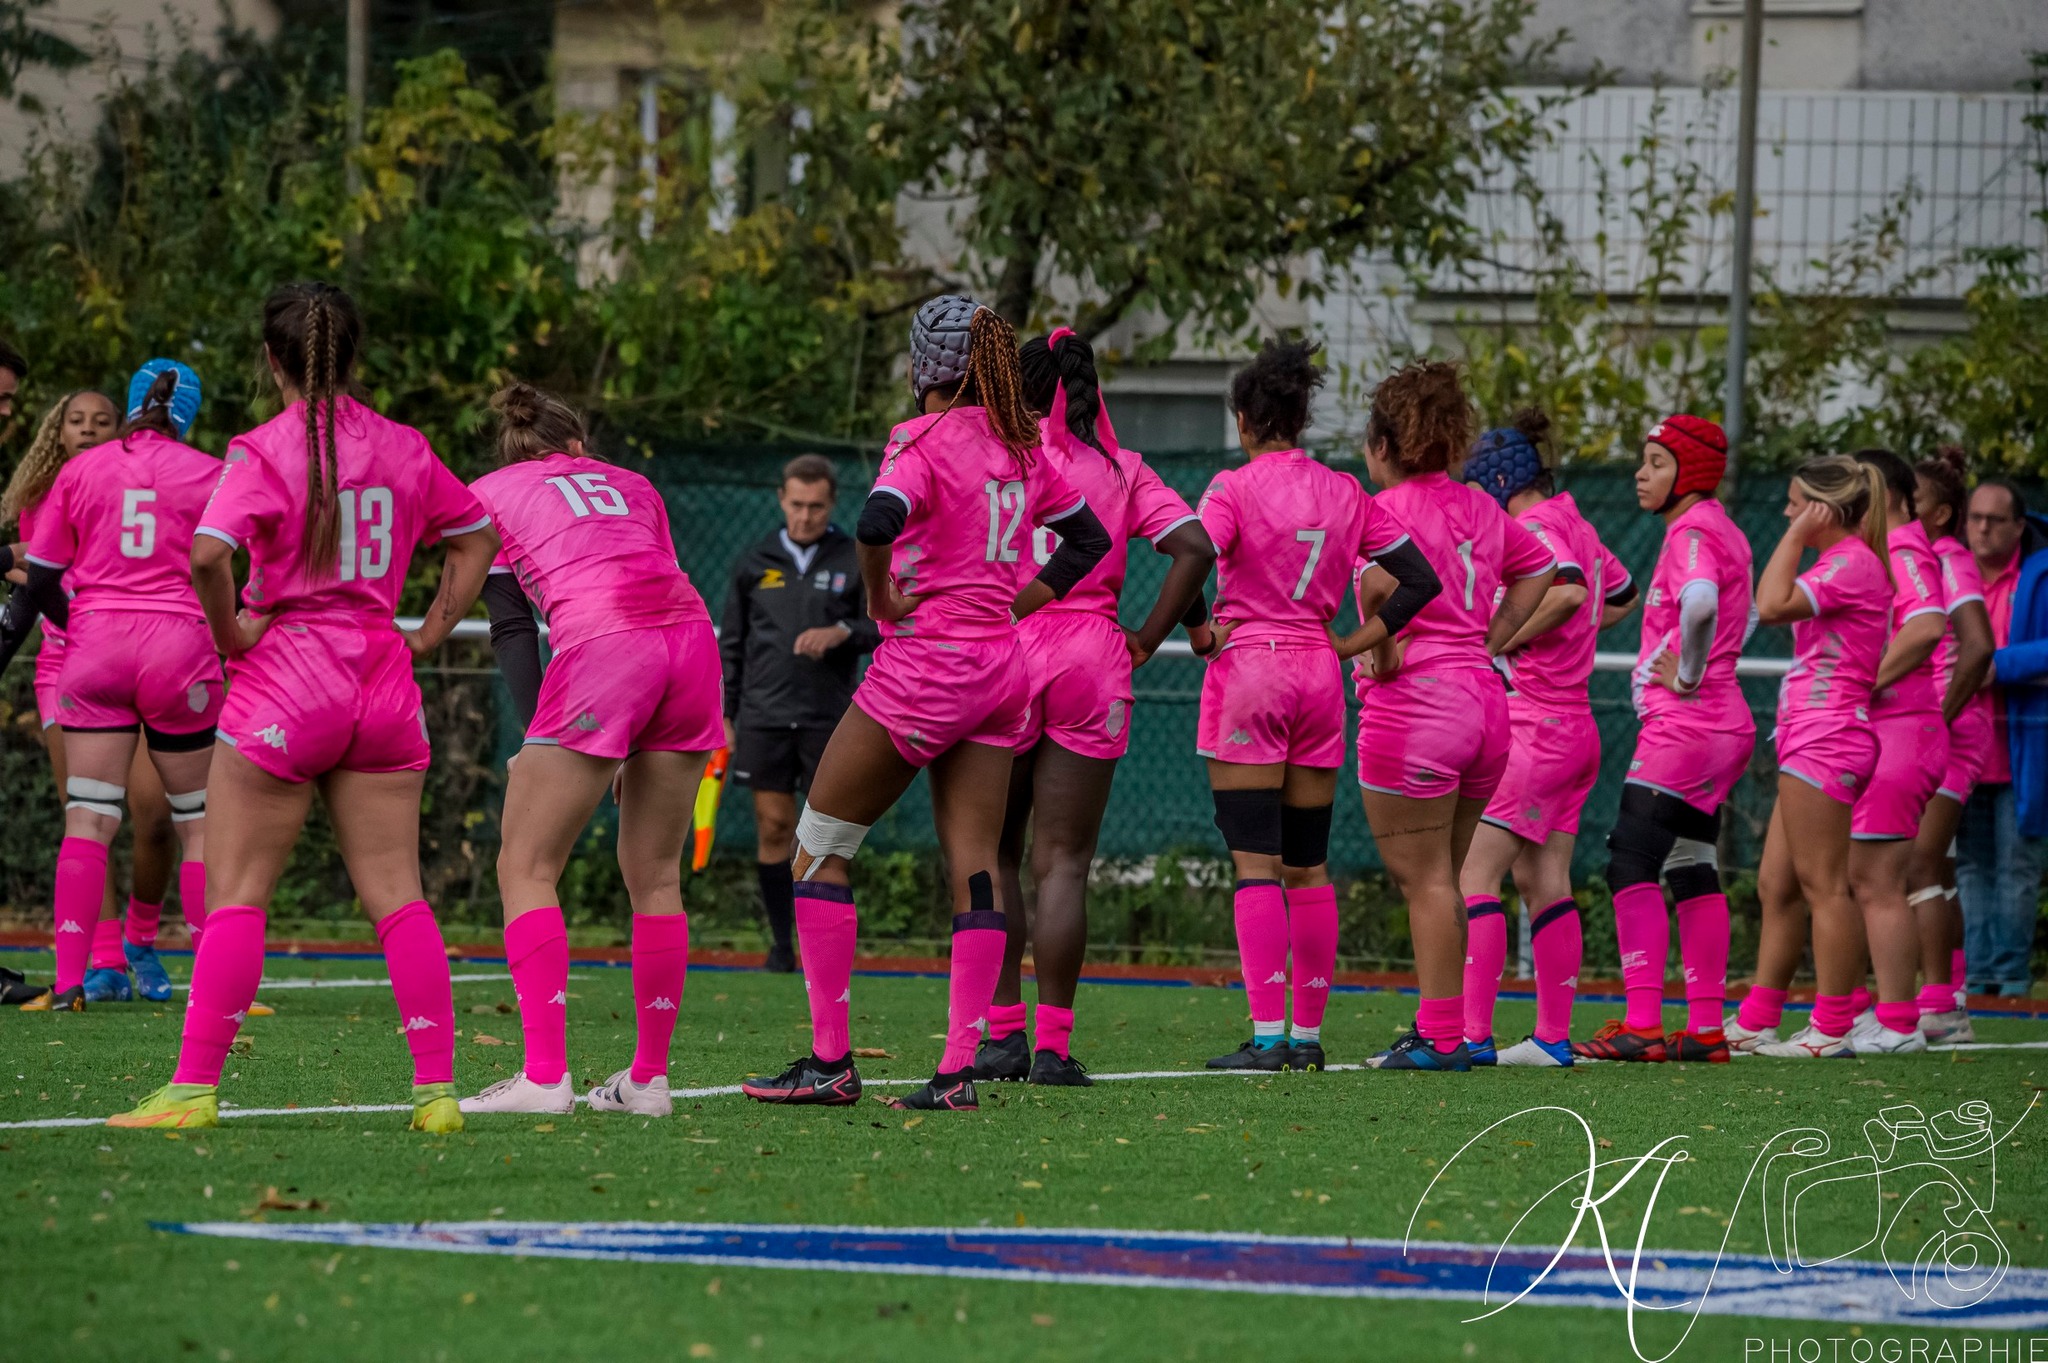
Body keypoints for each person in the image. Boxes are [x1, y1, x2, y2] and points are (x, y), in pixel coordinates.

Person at [109, 282, 499, 1132]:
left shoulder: (261, 447)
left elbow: (210, 555)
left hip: (289, 676)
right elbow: (477, 537)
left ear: (273, 359)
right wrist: (430, 633)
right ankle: (437, 1095)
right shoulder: (403, 445)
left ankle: (193, 1090)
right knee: (400, 896)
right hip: (382, 679)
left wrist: (234, 633)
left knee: (241, 892)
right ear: (352, 358)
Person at [738, 295, 1110, 1113]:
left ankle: (832, 1062)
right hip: (1000, 670)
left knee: (817, 847)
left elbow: (876, 521)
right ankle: (954, 1073)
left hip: (926, 668)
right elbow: (1091, 540)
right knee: (977, 868)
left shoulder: (922, 439)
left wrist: (881, 600)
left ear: (925, 367)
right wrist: (1018, 604)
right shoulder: (1022, 448)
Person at [460, 384, 720, 1118]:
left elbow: (512, 628)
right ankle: (649, 1081)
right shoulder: (632, 483)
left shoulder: (489, 493)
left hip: (608, 647)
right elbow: (655, 580)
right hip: (693, 646)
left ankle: (544, 1077)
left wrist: (538, 739)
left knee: (526, 862)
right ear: (576, 445)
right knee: (657, 874)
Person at [1190, 342, 1437, 1074]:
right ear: (1299, 417)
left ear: (1245, 420)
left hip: (1251, 674)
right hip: (1318, 677)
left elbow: (1192, 557)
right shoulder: (1344, 492)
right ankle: (1305, 1036)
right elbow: (1420, 580)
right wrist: (1348, 641)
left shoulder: (1231, 488)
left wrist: (1202, 632)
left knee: (1256, 863)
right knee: (1308, 864)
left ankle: (1266, 1037)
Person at [977, 328, 1214, 1086]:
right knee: (1065, 863)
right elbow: (1195, 547)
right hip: (1094, 655)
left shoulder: (1000, 458)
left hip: (1005, 648)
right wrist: (1147, 636)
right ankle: (1052, 1047)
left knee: (994, 852)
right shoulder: (1124, 468)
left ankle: (1002, 1034)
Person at [1348, 362, 1554, 1073]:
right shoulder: (1481, 508)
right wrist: (1491, 638)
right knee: (1449, 875)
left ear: (1383, 442)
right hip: (1485, 704)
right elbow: (1540, 569)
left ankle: (1440, 1037)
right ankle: (1445, 1027)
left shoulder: (1383, 511)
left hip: (1419, 710)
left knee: (1427, 879)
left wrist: (1382, 644)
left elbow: (1379, 585)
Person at [14, 363, 218, 1014]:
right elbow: (235, 563)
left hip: (93, 649)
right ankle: (215, 981)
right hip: (179, 649)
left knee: (87, 819)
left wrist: (87, 627)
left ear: (128, 408)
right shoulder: (213, 471)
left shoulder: (80, 472)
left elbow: (39, 577)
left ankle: (70, 982)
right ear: (185, 414)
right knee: (197, 824)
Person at [1455, 412, 1639, 1068]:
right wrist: (1576, 628)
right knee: (1546, 878)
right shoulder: (1578, 522)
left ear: (1499, 480)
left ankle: (1469, 1036)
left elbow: (1565, 592)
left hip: (1534, 725)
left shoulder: (1532, 526)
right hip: (1575, 728)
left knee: (1474, 874)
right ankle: (1552, 1038)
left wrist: (1493, 640)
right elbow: (1617, 594)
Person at [1577, 416, 1754, 1065]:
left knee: (1629, 857)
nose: (1640, 473)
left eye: (1655, 461)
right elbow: (1747, 609)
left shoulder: (1693, 530)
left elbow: (1701, 603)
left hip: (1689, 725)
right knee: (1689, 862)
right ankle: (1706, 1028)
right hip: (1723, 725)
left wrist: (1685, 671)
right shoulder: (1728, 530)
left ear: (1691, 471)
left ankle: (1644, 1022)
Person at [1740, 456, 1894, 1059]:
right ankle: (1758, 1020)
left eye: (1794, 502)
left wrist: (1794, 535)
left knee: (1826, 885)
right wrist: (1804, 533)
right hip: (1809, 733)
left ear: (1824, 509)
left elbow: (1771, 604)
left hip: (1828, 735)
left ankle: (1833, 1028)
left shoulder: (1853, 562)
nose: (1785, 511)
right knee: (1777, 884)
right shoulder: (1841, 562)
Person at [719, 454, 878, 974]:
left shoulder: (854, 557)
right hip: (763, 714)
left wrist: (845, 633)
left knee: (827, 837)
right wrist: (725, 715)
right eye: (796, 505)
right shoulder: (753, 560)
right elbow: (732, 646)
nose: (805, 516)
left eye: (816, 506)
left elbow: (885, 625)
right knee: (773, 825)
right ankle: (782, 944)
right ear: (781, 500)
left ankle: (827, 949)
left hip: (829, 718)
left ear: (832, 504)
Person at [1832, 448, 1950, 1053]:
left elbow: (1928, 624)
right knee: (1861, 877)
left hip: (1902, 729)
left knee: (1878, 880)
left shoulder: (1901, 546)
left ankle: (1901, 1022)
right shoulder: (1889, 548)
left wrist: (1864, 677)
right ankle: (1867, 1014)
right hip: (1890, 730)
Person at [1903, 447, 1994, 1041]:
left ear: (1940, 514)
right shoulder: (1920, 557)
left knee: (1916, 863)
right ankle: (1949, 986)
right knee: (1935, 865)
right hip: (1930, 724)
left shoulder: (1949, 559)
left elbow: (1978, 647)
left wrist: (1935, 719)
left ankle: (1940, 1006)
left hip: (1949, 730)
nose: (1903, 508)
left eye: (1914, 500)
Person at [1957, 480, 2047, 997]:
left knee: (2016, 865)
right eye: (1975, 518)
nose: (1983, 528)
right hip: (1963, 747)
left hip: (2026, 747)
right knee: (1969, 864)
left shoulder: (2041, 575)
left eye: (1994, 519)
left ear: (2019, 525)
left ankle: (2010, 979)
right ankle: (1977, 976)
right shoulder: (1952, 573)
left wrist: (1996, 666)